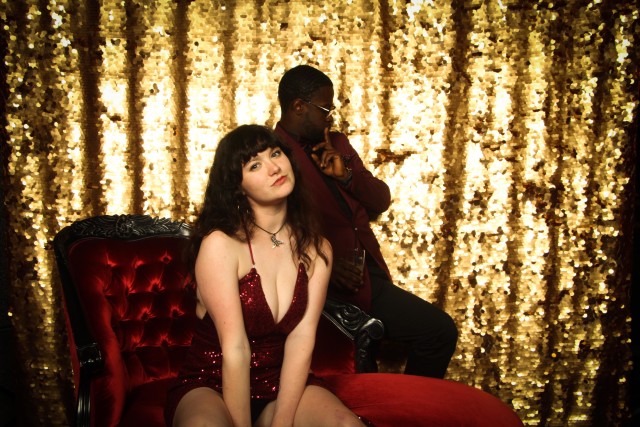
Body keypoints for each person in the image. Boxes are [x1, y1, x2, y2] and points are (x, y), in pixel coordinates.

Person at [164, 125, 365, 427]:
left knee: (346, 424)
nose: (274, 168)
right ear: (238, 185)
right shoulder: (220, 244)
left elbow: (302, 338)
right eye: (254, 165)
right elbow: (235, 348)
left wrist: (282, 422)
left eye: (275, 153)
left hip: (281, 384)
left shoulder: (317, 248)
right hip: (212, 382)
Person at [274, 65, 459, 379]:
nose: (330, 117)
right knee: (437, 331)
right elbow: (269, 231)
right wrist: (322, 264)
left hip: (368, 276)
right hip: (322, 287)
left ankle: (410, 405)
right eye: (325, 109)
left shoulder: (338, 144)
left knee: (434, 333)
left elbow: (380, 200)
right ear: (299, 106)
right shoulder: (271, 154)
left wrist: (346, 176)